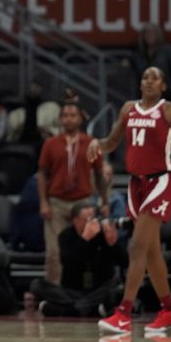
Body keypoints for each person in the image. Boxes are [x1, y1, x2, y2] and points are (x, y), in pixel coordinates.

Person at [90, 66, 171, 333]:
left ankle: (123, 313)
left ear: (163, 86)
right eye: (145, 77)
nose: (149, 81)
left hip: (161, 181)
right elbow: (112, 141)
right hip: (137, 184)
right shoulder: (128, 109)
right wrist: (97, 143)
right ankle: (170, 310)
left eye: (155, 78)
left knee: (136, 247)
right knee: (152, 252)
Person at [39, 102, 108, 285]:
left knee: (86, 247)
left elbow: (100, 175)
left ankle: (83, 288)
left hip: (83, 203)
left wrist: (105, 200)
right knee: (54, 251)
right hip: (57, 202)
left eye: (72, 115)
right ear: (61, 119)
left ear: (80, 118)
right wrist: (44, 202)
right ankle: (54, 290)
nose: (69, 119)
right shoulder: (51, 143)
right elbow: (42, 175)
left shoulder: (91, 143)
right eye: (65, 115)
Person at [30, 200, 127, 317]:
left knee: (119, 289)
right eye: (87, 219)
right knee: (37, 285)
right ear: (75, 221)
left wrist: (113, 244)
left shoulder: (103, 234)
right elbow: (69, 262)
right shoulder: (66, 236)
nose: (91, 223)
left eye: (93, 218)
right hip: (72, 291)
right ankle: (92, 310)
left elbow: (124, 262)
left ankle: (67, 310)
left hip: (99, 290)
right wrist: (85, 238)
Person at [130, 23, 171, 98]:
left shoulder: (167, 50)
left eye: (151, 33)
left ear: (157, 34)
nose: (149, 36)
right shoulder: (139, 54)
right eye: (146, 33)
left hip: (165, 92)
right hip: (145, 93)